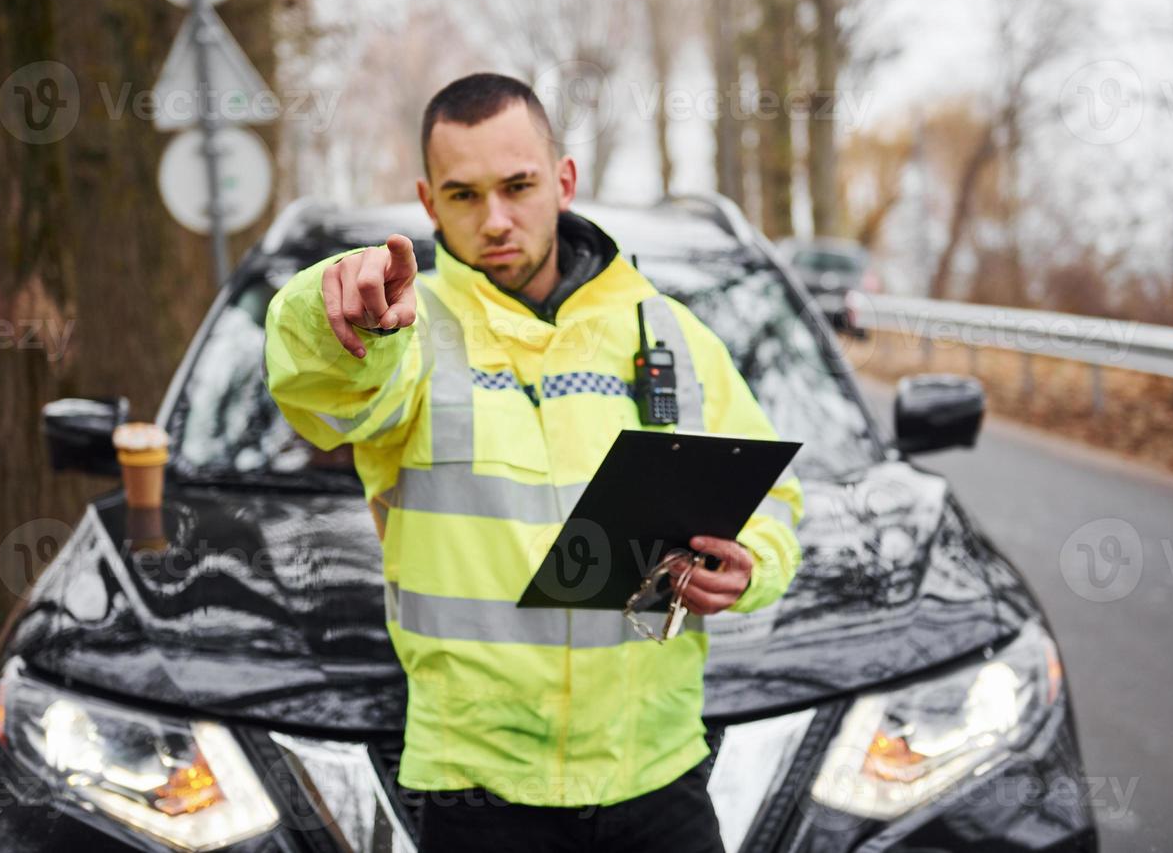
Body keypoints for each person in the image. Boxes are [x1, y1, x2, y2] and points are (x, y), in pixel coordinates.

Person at [263, 73, 804, 853]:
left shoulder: (672, 333)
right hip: (481, 793)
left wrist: (751, 566)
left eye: (518, 186)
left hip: (658, 775)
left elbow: (771, 497)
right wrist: (327, 308)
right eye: (463, 195)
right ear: (428, 202)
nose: (495, 221)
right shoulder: (404, 334)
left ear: (564, 179)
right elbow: (325, 390)